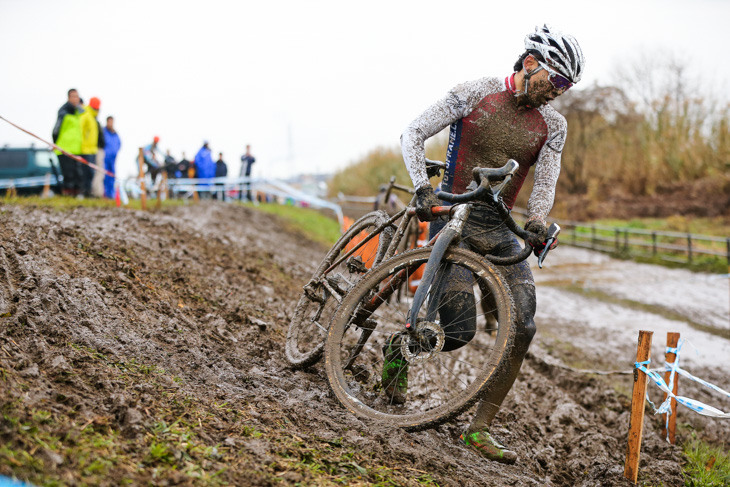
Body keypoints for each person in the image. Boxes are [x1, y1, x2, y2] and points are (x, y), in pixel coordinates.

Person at [384, 25, 584, 464]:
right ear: (531, 63)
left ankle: (480, 429)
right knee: (457, 331)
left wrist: (536, 221)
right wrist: (422, 187)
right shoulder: (475, 92)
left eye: (567, 87)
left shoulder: (553, 123)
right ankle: (396, 352)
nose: (559, 93)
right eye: (557, 81)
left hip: (497, 230)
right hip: (455, 219)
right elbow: (413, 133)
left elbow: (545, 183)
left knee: (524, 327)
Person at [52, 88, 83, 195]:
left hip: (76, 149)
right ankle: (67, 195)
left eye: (77, 96)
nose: (75, 99)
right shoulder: (63, 111)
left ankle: (75, 196)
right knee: (68, 174)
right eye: (73, 96)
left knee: (77, 174)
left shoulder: (78, 112)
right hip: (64, 148)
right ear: (69, 98)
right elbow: (56, 129)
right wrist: (55, 143)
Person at [80, 97, 102, 197]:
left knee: (91, 173)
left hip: (93, 149)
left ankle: (89, 191)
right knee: (87, 173)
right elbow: (81, 131)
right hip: (86, 149)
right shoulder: (86, 115)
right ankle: (86, 192)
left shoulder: (93, 118)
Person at [102, 116, 121, 199]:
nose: (111, 123)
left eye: (112, 122)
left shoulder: (115, 134)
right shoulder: (103, 132)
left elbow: (119, 144)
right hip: (105, 157)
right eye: (109, 122)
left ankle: (111, 195)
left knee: (112, 176)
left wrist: (115, 152)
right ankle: (105, 194)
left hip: (113, 159)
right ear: (107, 122)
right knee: (104, 176)